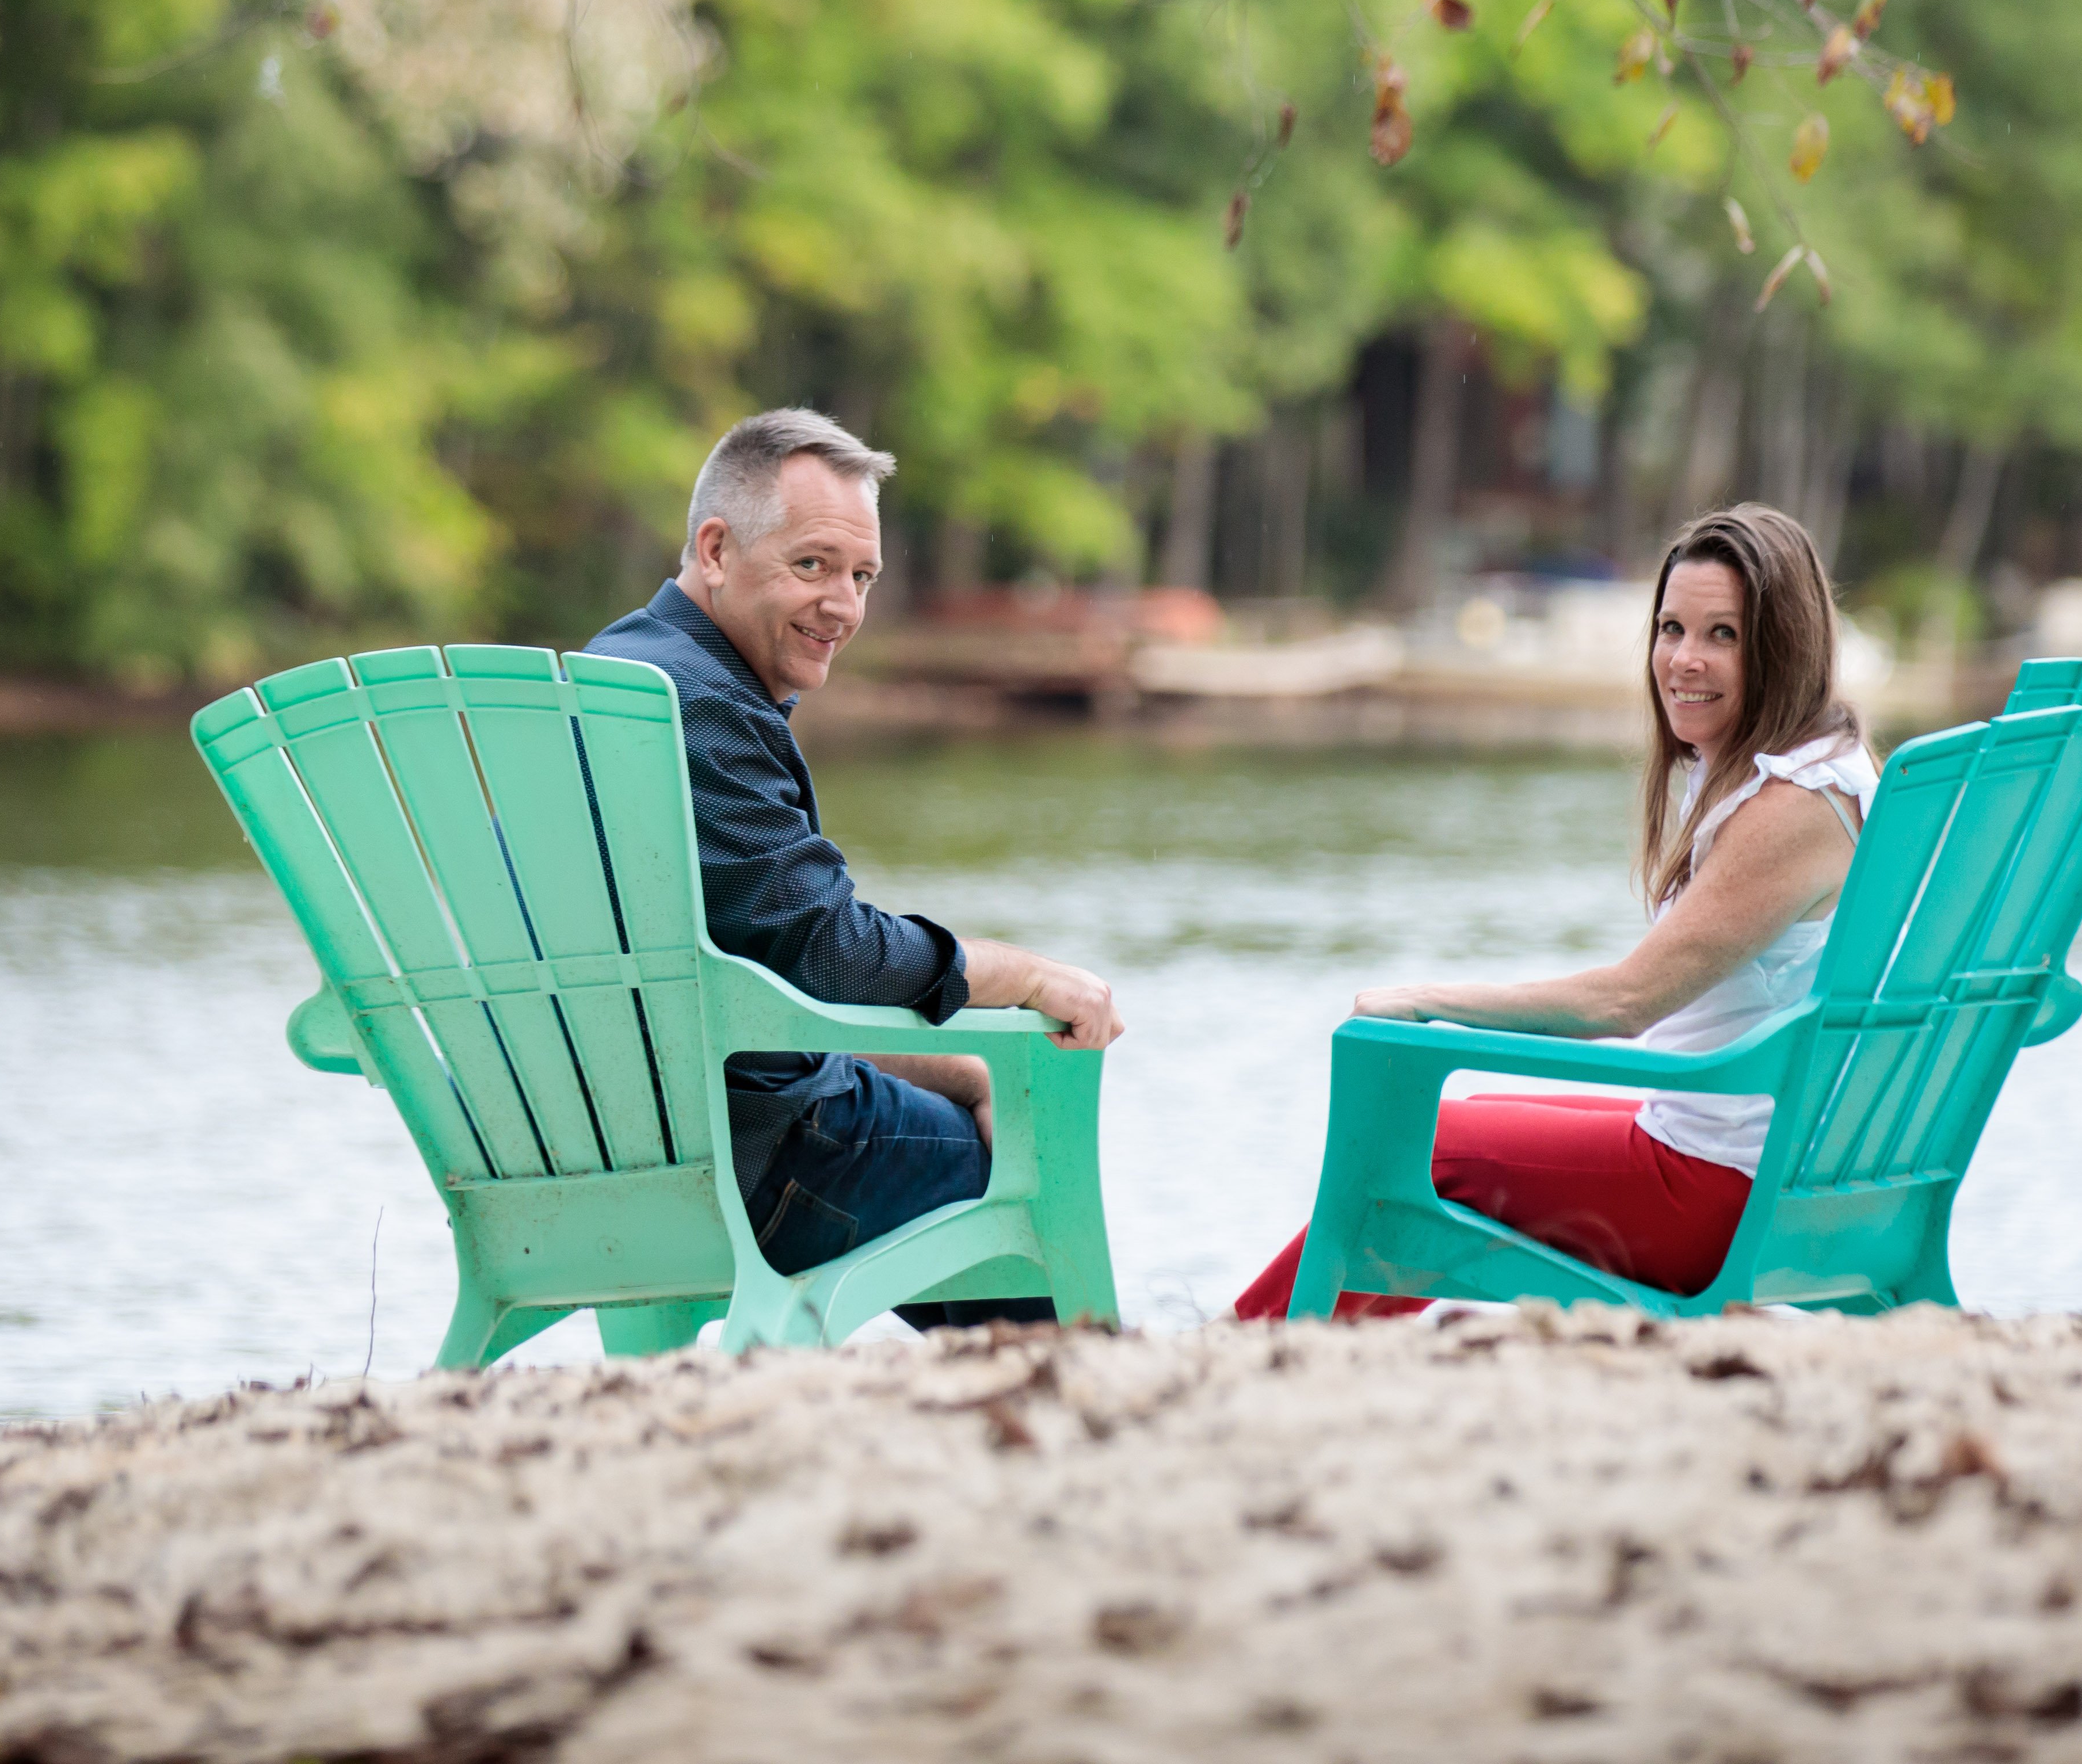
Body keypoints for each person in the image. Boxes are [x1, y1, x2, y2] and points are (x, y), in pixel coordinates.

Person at [1237, 503, 1871, 1316]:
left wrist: (1426, 1002)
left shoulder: (1791, 809)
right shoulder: (1834, 772)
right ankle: (1301, 1346)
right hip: (1775, 1163)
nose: (1684, 660)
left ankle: (1252, 1345)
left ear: (1784, 649)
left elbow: (1626, 1003)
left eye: (1725, 636)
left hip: (1720, 1194)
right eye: (1672, 628)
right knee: (1457, 1126)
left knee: (1425, 1148)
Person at [589, 408, 1126, 1326]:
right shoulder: (702, 707)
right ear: (715, 551)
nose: (845, 606)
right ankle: (1080, 1432)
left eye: (863, 576)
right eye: (813, 566)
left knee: (973, 1100)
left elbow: (747, 986)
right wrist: (1024, 976)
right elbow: (833, 956)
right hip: (755, 1167)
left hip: (592, 1153)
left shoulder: (610, 676)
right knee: (1023, 1175)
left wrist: (962, 1070)